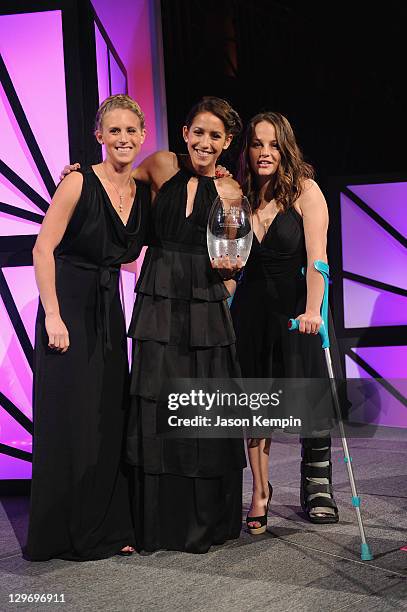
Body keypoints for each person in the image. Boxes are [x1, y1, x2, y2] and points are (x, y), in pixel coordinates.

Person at [26, 94, 151, 561]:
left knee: (106, 417)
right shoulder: (77, 182)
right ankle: (62, 533)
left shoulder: (141, 188)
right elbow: (43, 249)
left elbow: (132, 257)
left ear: (142, 137)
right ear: (100, 136)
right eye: (113, 131)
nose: (122, 139)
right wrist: (53, 314)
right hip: (69, 308)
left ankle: (106, 525)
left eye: (130, 131)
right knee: (71, 419)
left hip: (107, 313)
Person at [125, 97, 246, 553]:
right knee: (157, 401)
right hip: (159, 298)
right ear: (185, 133)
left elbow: (233, 260)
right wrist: (73, 175)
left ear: (227, 142)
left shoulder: (233, 191)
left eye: (215, 136)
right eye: (199, 132)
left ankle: (203, 523)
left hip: (204, 304)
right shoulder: (159, 165)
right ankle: (155, 523)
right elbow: (114, 186)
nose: (205, 142)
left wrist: (219, 297)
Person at [229, 112, 339, 533]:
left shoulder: (305, 191)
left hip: (298, 310)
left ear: (286, 148)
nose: (265, 152)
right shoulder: (237, 193)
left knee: (308, 395)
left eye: (273, 144)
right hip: (251, 311)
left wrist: (313, 310)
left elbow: (318, 258)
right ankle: (260, 490)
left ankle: (317, 484)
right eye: (257, 144)